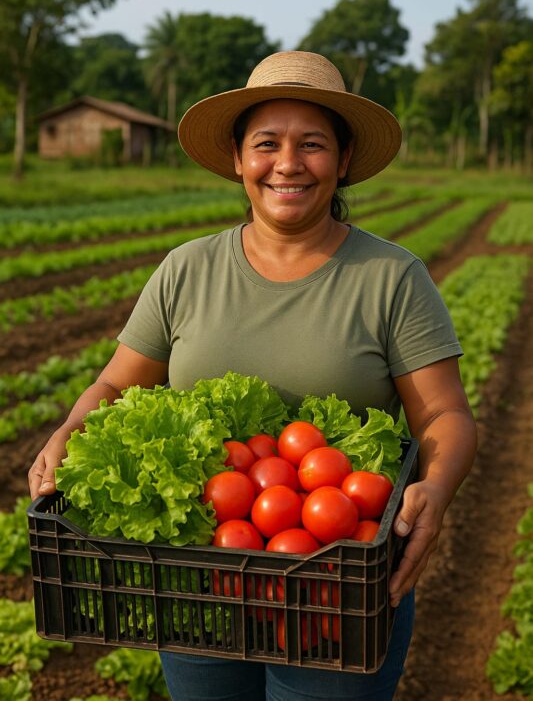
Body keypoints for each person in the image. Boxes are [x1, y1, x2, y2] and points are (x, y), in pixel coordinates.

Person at [28, 51, 477, 701]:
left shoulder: (390, 279)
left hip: (334, 585)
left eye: (312, 145)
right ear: (239, 159)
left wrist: (435, 488)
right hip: (195, 586)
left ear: (342, 160)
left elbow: (444, 415)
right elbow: (116, 385)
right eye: (266, 144)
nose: (288, 163)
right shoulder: (185, 270)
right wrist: (71, 428)